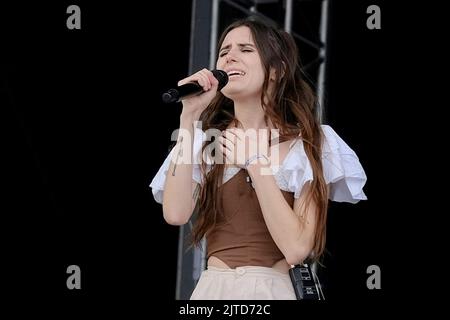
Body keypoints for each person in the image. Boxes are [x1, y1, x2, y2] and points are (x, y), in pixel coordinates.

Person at [150, 17, 367, 300]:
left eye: (245, 49)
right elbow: (176, 213)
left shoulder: (310, 142)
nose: (230, 57)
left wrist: (255, 161)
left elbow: (297, 247)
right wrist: (189, 116)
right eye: (224, 51)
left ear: (276, 70)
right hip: (212, 289)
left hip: (271, 290)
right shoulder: (205, 141)